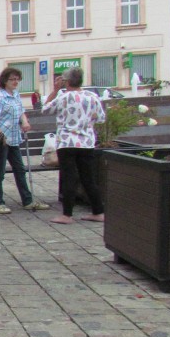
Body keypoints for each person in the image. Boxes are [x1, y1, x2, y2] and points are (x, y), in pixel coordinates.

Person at [42, 66, 106, 224]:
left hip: (67, 142)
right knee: (88, 178)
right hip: (86, 142)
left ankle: (67, 214)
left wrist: (55, 90)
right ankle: (98, 211)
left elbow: (45, 109)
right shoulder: (92, 96)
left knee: (69, 178)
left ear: (66, 81)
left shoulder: (63, 97)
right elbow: (101, 118)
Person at [0, 67, 50, 214]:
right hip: (2, 141)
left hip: (14, 139)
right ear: (4, 81)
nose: (15, 82)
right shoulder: (0, 97)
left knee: (20, 170)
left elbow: (21, 111)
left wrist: (25, 122)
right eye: (11, 79)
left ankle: (27, 200)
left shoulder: (15, 95)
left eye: (17, 79)